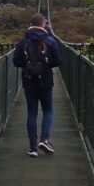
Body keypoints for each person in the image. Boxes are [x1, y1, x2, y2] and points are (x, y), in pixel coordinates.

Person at [12, 13, 61, 157]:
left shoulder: (22, 41)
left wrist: (29, 66)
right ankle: (44, 139)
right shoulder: (50, 40)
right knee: (48, 111)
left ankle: (33, 148)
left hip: (28, 82)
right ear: (44, 24)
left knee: (32, 113)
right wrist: (45, 66)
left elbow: (16, 62)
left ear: (31, 23)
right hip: (46, 81)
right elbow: (58, 61)